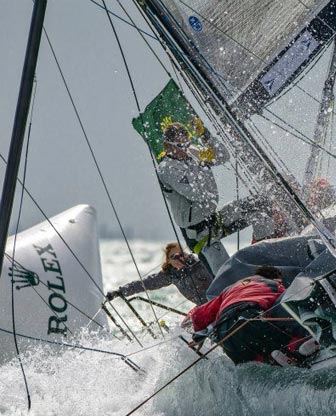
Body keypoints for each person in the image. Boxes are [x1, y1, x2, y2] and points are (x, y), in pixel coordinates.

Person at [158, 119, 280, 273]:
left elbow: (224, 156)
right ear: (168, 146)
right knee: (227, 277)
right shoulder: (167, 169)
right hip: (198, 233)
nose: (186, 149)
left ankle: (264, 263)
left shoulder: (191, 152)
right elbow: (198, 195)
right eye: (181, 145)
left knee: (261, 205)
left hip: (213, 219)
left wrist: (205, 136)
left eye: (188, 143)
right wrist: (203, 165)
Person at [186, 265, 314, 365]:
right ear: (276, 279)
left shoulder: (229, 289)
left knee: (248, 360)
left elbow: (198, 314)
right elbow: (287, 303)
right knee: (279, 337)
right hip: (249, 317)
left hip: (224, 334)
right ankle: (295, 348)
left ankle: (268, 360)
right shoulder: (274, 285)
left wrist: (198, 336)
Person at [106, 242, 212, 305]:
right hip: (202, 307)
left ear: (186, 255)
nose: (178, 259)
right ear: (168, 261)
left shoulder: (200, 264)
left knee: (198, 319)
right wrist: (120, 292)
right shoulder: (171, 275)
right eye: (173, 257)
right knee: (184, 328)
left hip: (218, 301)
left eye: (180, 255)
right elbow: (144, 284)